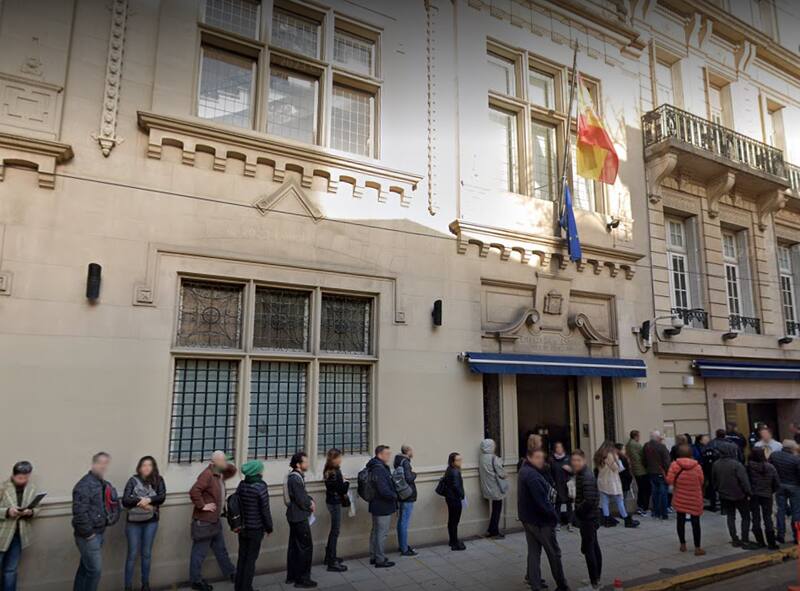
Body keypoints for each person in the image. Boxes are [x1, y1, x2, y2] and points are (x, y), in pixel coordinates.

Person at [518, 447, 569, 591]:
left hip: (528, 519)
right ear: (529, 458)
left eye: (542, 457)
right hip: (541, 522)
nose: (541, 460)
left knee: (534, 552)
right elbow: (542, 502)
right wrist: (554, 517)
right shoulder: (532, 476)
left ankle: (535, 584)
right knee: (554, 553)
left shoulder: (524, 470)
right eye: (538, 457)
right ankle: (562, 585)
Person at [188, 451, 237, 591]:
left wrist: (225, 462)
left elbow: (233, 470)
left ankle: (231, 573)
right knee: (199, 552)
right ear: (214, 462)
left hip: (215, 520)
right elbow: (194, 491)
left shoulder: (219, 474)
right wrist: (202, 506)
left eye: (225, 460)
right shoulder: (207, 474)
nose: (225, 463)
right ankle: (196, 580)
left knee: (221, 549)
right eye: (222, 461)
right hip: (204, 522)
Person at [72, 452, 120, 591]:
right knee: (95, 571)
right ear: (94, 464)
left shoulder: (101, 483)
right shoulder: (84, 485)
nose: (103, 466)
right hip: (88, 536)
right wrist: (89, 534)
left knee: (85, 569)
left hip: (98, 533)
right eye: (101, 463)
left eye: (106, 463)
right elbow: (79, 513)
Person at [122, 456, 166, 591]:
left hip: (151, 522)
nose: (146, 468)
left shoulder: (159, 480)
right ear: (139, 467)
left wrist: (149, 500)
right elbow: (125, 500)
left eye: (149, 465)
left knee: (146, 554)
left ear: (154, 467)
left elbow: (161, 497)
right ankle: (128, 587)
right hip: (133, 523)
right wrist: (143, 503)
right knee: (132, 554)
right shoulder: (132, 480)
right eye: (144, 465)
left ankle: (145, 585)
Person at [235, 460, 273, 591]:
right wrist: (269, 527)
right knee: (251, 560)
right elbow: (265, 510)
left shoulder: (241, 485)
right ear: (257, 472)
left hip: (243, 528)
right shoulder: (260, 487)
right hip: (255, 528)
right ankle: (246, 588)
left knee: (242, 558)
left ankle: (238, 587)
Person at [0, 461, 38, 591]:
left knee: (11, 570)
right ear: (13, 475)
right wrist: (7, 511)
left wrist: (30, 512)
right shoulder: (3, 487)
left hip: (18, 536)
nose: (23, 480)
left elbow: (37, 507)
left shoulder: (32, 488)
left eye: (26, 477)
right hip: (2, 535)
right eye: (20, 478)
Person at [712, 445, 757, 549]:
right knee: (745, 517)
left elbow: (714, 480)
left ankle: (734, 539)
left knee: (730, 517)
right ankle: (744, 538)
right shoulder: (737, 465)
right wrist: (749, 493)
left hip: (724, 495)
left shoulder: (716, 464)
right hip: (739, 495)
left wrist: (718, 490)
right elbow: (744, 481)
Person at [666, 444, 705, 556]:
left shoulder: (674, 465)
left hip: (680, 497)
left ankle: (683, 544)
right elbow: (701, 481)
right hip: (694, 497)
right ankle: (697, 548)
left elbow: (669, 480)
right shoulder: (697, 466)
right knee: (695, 522)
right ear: (690, 453)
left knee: (680, 520)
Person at [571, 450, 602, 590]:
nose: (575, 463)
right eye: (573, 460)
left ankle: (594, 582)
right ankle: (596, 577)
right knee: (593, 546)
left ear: (583, 460)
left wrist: (578, 509)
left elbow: (589, 500)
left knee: (589, 549)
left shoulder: (587, 476)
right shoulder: (581, 474)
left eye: (578, 460)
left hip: (588, 518)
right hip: (589, 516)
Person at [286, 452, 316, 588]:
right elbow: (300, 498)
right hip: (298, 517)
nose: (308, 464)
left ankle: (292, 576)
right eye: (305, 462)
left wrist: (309, 500)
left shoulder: (296, 477)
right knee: (305, 547)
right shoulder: (295, 478)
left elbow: (302, 495)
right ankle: (302, 579)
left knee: (295, 546)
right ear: (298, 464)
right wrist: (310, 504)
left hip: (294, 516)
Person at [367, 445, 397, 566]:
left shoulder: (375, 466)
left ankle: (374, 556)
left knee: (375, 531)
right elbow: (383, 490)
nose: (389, 456)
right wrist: (395, 495)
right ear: (380, 454)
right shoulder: (379, 469)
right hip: (382, 505)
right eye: (387, 454)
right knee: (381, 533)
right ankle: (380, 559)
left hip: (376, 504)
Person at [595, 442, 638, 528]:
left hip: (602, 481)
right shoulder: (610, 456)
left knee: (604, 502)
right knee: (619, 501)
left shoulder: (598, 456)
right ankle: (627, 520)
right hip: (612, 482)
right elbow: (617, 469)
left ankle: (606, 520)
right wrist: (617, 460)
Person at [747, 448, 780, 550]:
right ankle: (771, 543)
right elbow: (776, 482)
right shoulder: (770, 467)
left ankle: (760, 542)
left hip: (754, 495)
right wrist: (771, 491)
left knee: (755, 518)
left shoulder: (748, 467)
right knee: (767, 518)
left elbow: (746, 481)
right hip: (767, 494)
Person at [769, 439, 800, 544]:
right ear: (791, 448)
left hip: (779, 486)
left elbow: (770, 469)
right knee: (796, 511)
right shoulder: (796, 460)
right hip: (794, 486)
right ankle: (797, 536)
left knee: (780, 510)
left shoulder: (774, 455)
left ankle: (780, 535)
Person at [323, 448, 349, 571]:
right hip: (335, 502)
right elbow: (341, 489)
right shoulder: (335, 472)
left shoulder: (328, 470)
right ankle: (331, 562)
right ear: (335, 458)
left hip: (331, 501)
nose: (341, 459)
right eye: (339, 457)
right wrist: (346, 482)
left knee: (334, 531)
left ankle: (329, 556)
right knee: (335, 531)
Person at [478, 439, 508, 539]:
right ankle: (494, 531)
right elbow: (502, 473)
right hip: (496, 488)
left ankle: (491, 529)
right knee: (497, 509)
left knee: (495, 509)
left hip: (486, 487)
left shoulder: (481, 457)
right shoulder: (493, 458)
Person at [394, 444, 418, 555]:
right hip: (408, 496)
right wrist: (414, 474)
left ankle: (402, 545)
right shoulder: (406, 462)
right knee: (404, 522)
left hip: (401, 494)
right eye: (411, 450)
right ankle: (404, 549)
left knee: (401, 521)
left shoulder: (398, 461)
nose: (412, 452)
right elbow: (409, 478)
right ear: (407, 451)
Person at [441, 452, 466, 551]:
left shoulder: (449, 469)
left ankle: (452, 540)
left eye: (461, 460)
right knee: (454, 521)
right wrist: (462, 495)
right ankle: (454, 543)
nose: (460, 462)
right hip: (455, 499)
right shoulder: (455, 471)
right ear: (453, 461)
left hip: (450, 498)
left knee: (452, 521)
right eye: (458, 460)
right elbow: (456, 486)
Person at [643, 431, 670, 519]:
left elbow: (644, 460)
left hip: (651, 472)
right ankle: (664, 513)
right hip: (661, 472)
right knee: (663, 493)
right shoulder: (661, 447)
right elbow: (667, 461)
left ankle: (656, 512)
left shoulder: (646, 446)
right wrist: (667, 471)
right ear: (658, 438)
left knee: (655, 493)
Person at [626, 430, 650, 517]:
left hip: (635, 469)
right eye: (639, 436)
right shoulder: (636, 445)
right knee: (645, 489)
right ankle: (643, 507)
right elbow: (642, 456)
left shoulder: (628, 444)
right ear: (636, 436)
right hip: (641, 470)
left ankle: (640, 506)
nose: (639, 438)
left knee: (641, 488)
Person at [549, 442, 572, 530]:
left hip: (567, 485)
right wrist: (553, 483)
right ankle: (557, 522)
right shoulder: (552, 460)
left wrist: (570, 469)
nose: (559, 449)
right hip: (557, 485)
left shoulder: (568, 458)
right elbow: (550, 473)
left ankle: (569, 522)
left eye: (560, 447)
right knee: (557, 504)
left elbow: (574, 471)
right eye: (557, 447)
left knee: (569, 504)